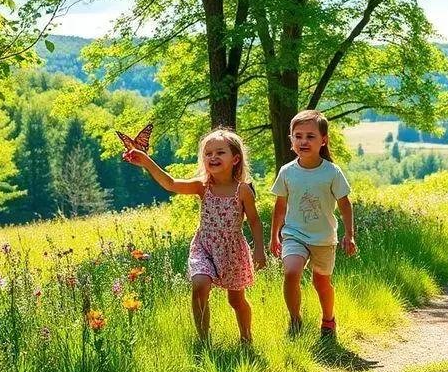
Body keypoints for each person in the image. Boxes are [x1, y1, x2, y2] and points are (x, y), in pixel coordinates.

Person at [124, 128, 266, 343]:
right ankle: (204, 341)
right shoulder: (202, 186)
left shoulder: (243, 190)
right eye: (208, 154)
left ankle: (246, 337)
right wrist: (146, 162)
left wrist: (259, 250)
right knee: (200, 284)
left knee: (236, 300)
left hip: (232, 250)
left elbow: (254, 221)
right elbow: (170, 184)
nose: (213, 157)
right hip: (205, 246)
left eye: (220, 152)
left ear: (235, 159)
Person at [268, 110, 357, 338]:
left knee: (321, 283)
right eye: (298, 136)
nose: (303, 141)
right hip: (294, 234)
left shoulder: (331, 172)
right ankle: (295, 319)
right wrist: (274, 236)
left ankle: (328, 319)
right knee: (291, 272)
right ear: (291, 141)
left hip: (323, 238)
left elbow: (345, 205)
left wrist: (349, 234)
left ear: (323, 140)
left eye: (310, 136)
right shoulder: (287, 172)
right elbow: (280, 206)